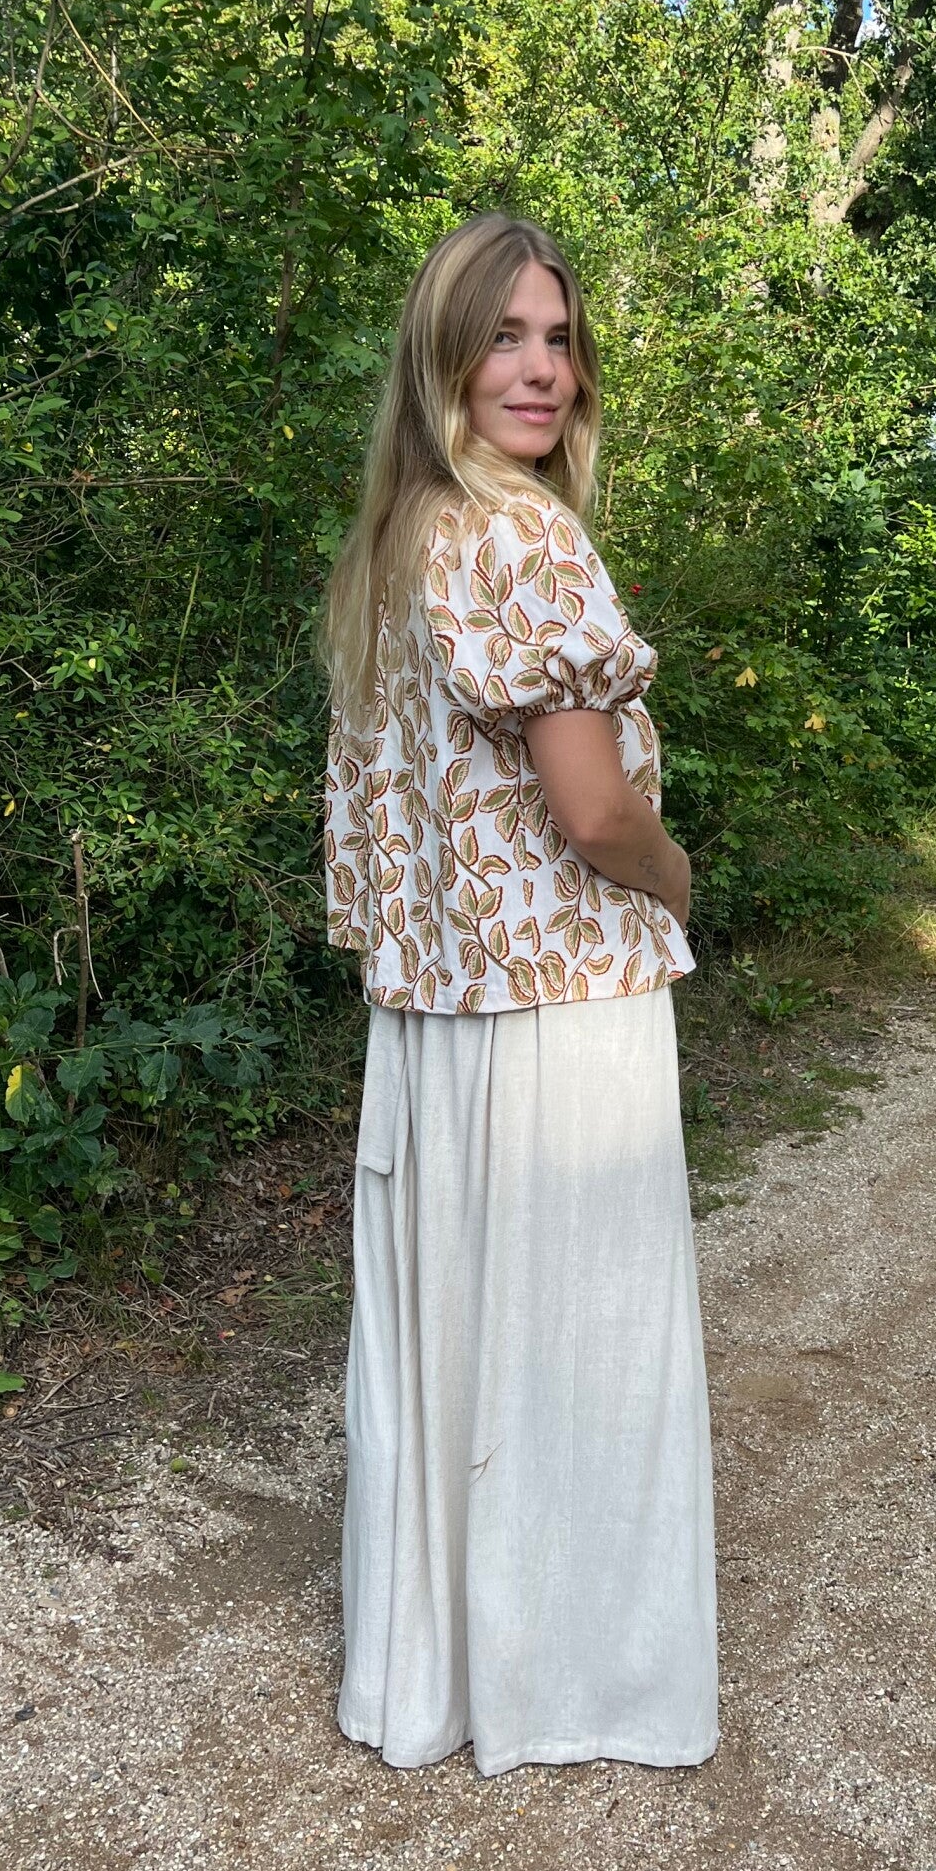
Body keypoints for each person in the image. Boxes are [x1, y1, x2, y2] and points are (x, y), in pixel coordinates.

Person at [321, 212, 719, 1775]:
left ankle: (439, 1680)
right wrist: (677, 884)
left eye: (559, 339)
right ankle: (574, 1683)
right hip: (561, 1008)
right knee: (577, 1355)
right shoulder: (526, 540)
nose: (541, 369)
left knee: (461, 1350)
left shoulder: (399, 542)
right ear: (445, 356)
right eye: (504, 337)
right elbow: (598, 814)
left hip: (435, 1022)